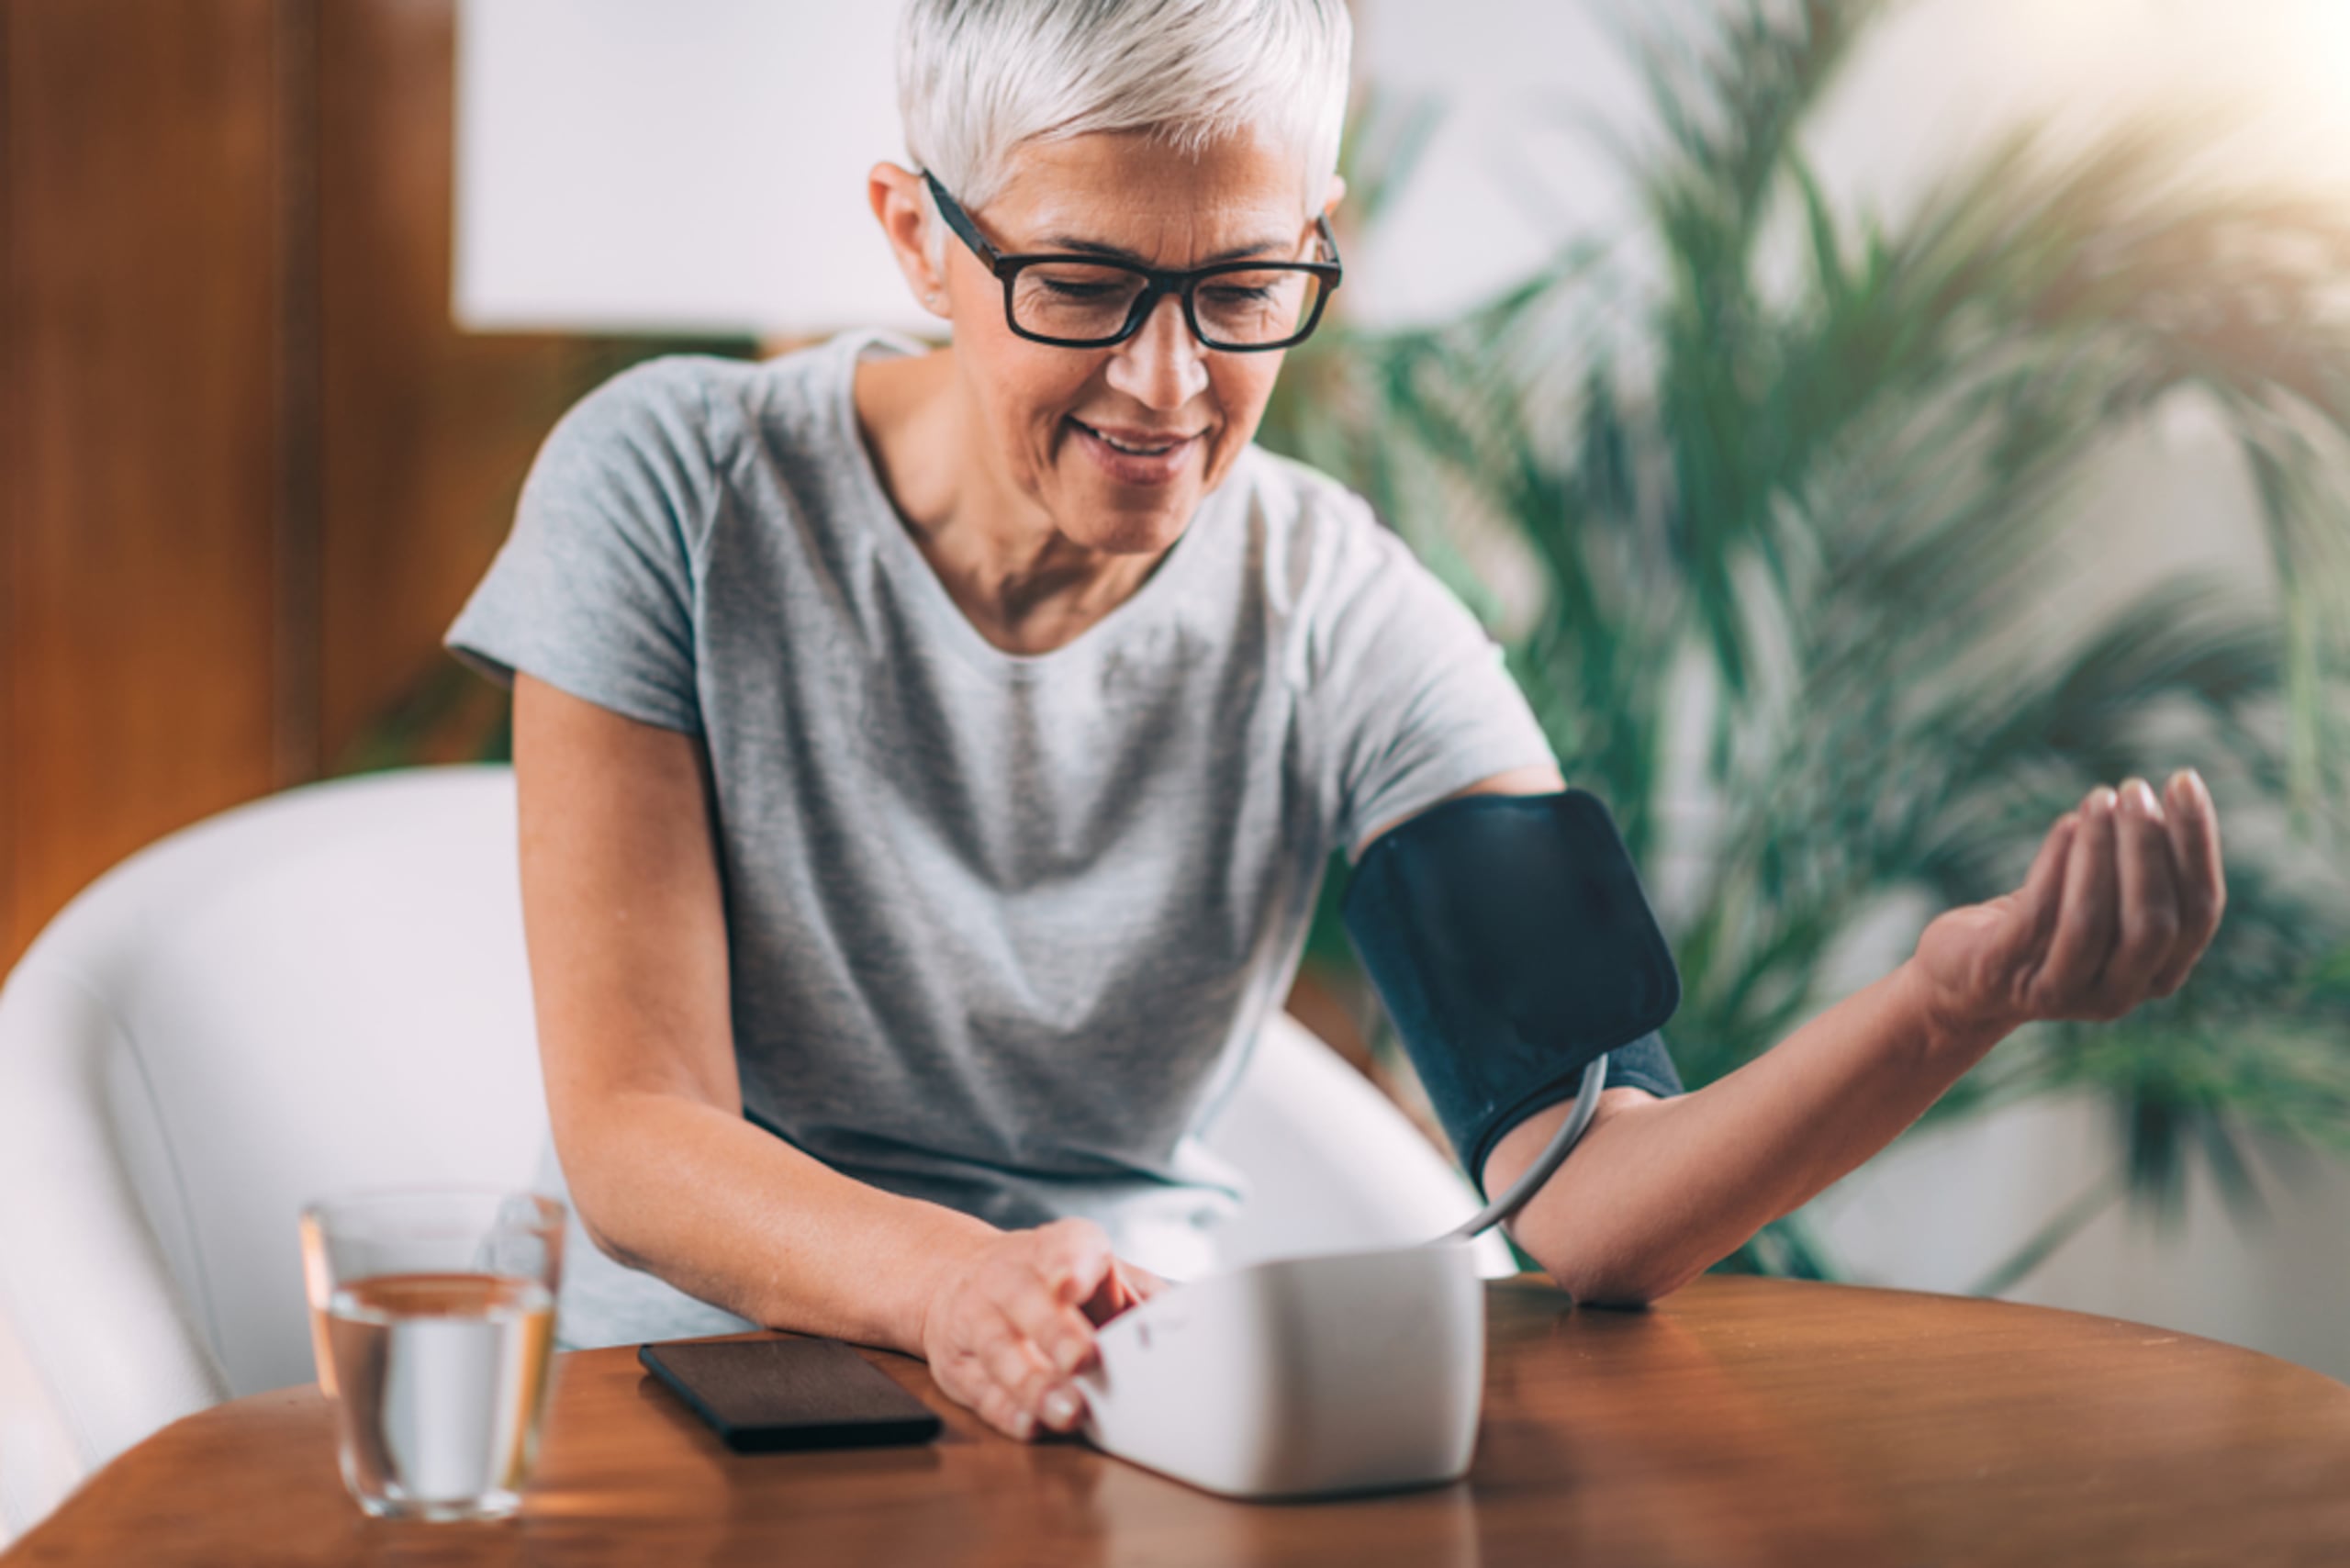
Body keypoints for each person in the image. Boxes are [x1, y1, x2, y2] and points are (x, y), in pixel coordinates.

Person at [442, 0, 2226, 1446]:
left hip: (1129, 1421)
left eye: (1239, 293)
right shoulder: (670, 487)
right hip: (686, 1406)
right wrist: (945, 1284)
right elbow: (638, 1128)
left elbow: (1584, 1187)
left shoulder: (1344, 614)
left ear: (1321, 243)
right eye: (1079, 288)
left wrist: (1942, 1001)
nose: (1168, 386)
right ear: (917, 236)